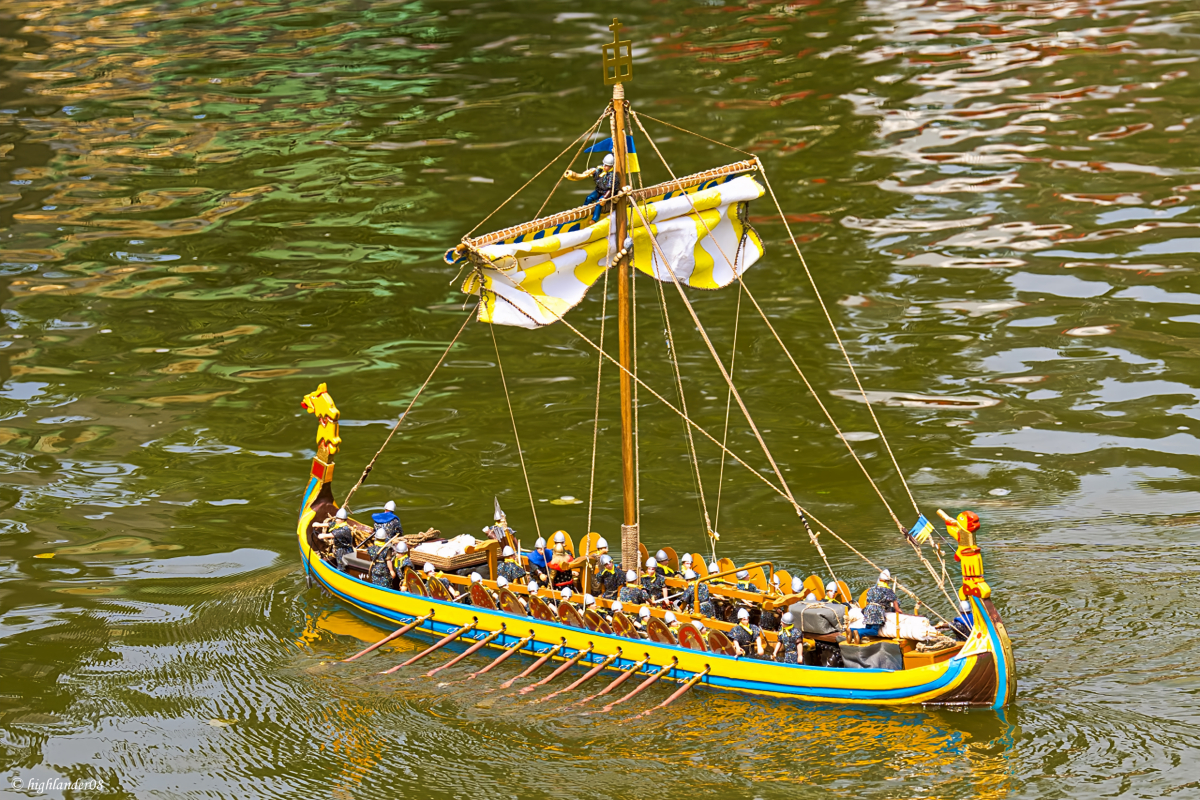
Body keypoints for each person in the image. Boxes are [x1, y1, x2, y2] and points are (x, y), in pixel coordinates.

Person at [564, 153, 615, 223]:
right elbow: (596, 172)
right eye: (604, 164)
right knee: (589, 198)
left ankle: (595, 219)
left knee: (598, 203)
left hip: (606, 193)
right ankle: (583, 213)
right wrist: (590, 172)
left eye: (607, 166)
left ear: (612, 166)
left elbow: (610, 189)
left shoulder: (612, 175)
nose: (604, 166)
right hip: (599, 190)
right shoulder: (601, 170)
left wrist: (605, 198)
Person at [859, 569, 900, 641]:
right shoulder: (887, 590)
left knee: (868, 628)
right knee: (874, 631)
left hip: (868, 609)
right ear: (887, 581)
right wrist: (897, 609)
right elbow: (894, 601)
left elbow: (867, 598)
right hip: (877, 611)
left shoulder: (872, 589)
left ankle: (852, 630)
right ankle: (858, 632)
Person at [318, 508, 356, 572]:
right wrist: (319, 525)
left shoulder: (344, 530)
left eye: (337, 518)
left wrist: (323, 535)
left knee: (341, 565)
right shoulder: (338, 525)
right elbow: (331, 524)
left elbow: (332, 535)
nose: (336, 519)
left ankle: (341, 573)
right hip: (339, 549)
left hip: (344, 551)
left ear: (342, 520)